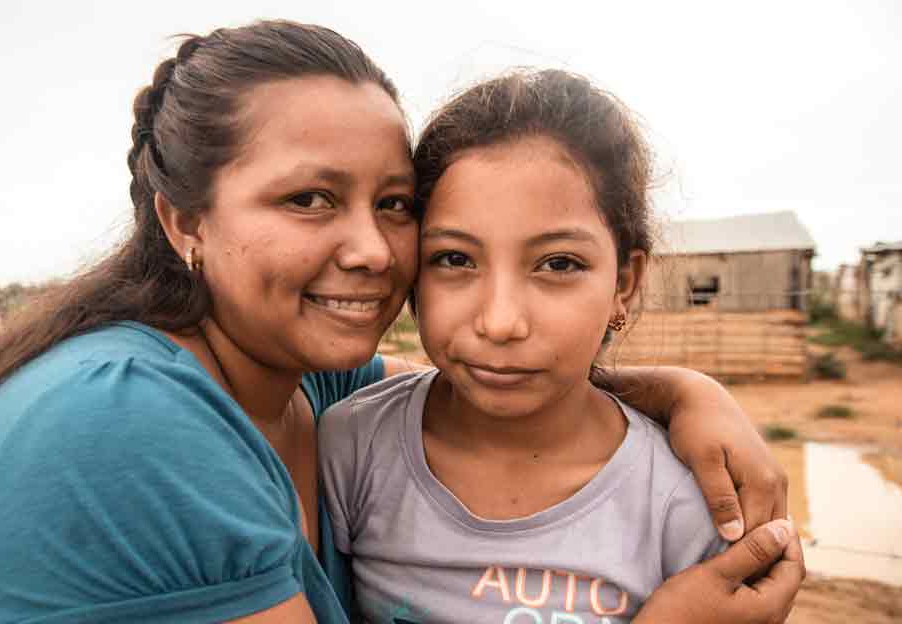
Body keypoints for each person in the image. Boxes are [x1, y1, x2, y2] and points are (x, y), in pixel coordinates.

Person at [0, 20, 801, 624]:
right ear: (185, 221)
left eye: (395, 204)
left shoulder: (300, 385)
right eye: (309, 198)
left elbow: (470, 380)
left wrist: (683, 393)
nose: (372, 249)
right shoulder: (122, 426)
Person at [317, 69, 803, 624]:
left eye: (558, 264)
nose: (500, 322)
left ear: (624, 283)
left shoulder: (690, 500)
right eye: (454, 259)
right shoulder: (353, 449)